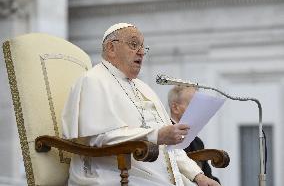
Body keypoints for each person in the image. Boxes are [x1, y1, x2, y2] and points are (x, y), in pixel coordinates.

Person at [62, 23, 221, 186]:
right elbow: (98, 138)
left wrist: (198, 175)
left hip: (158, 176)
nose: (141, 52)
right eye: (133, 44)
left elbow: (170, 147)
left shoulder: (144, 88)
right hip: (115, 175)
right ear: (111, 48)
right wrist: (155, 136)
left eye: (143, 47)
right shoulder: (93, 80)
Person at [168, 86, 220, 183]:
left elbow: (207, 176)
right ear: (175, 108)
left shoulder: (197, 142)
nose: (199, 110)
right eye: (193, 105)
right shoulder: (165, 136)